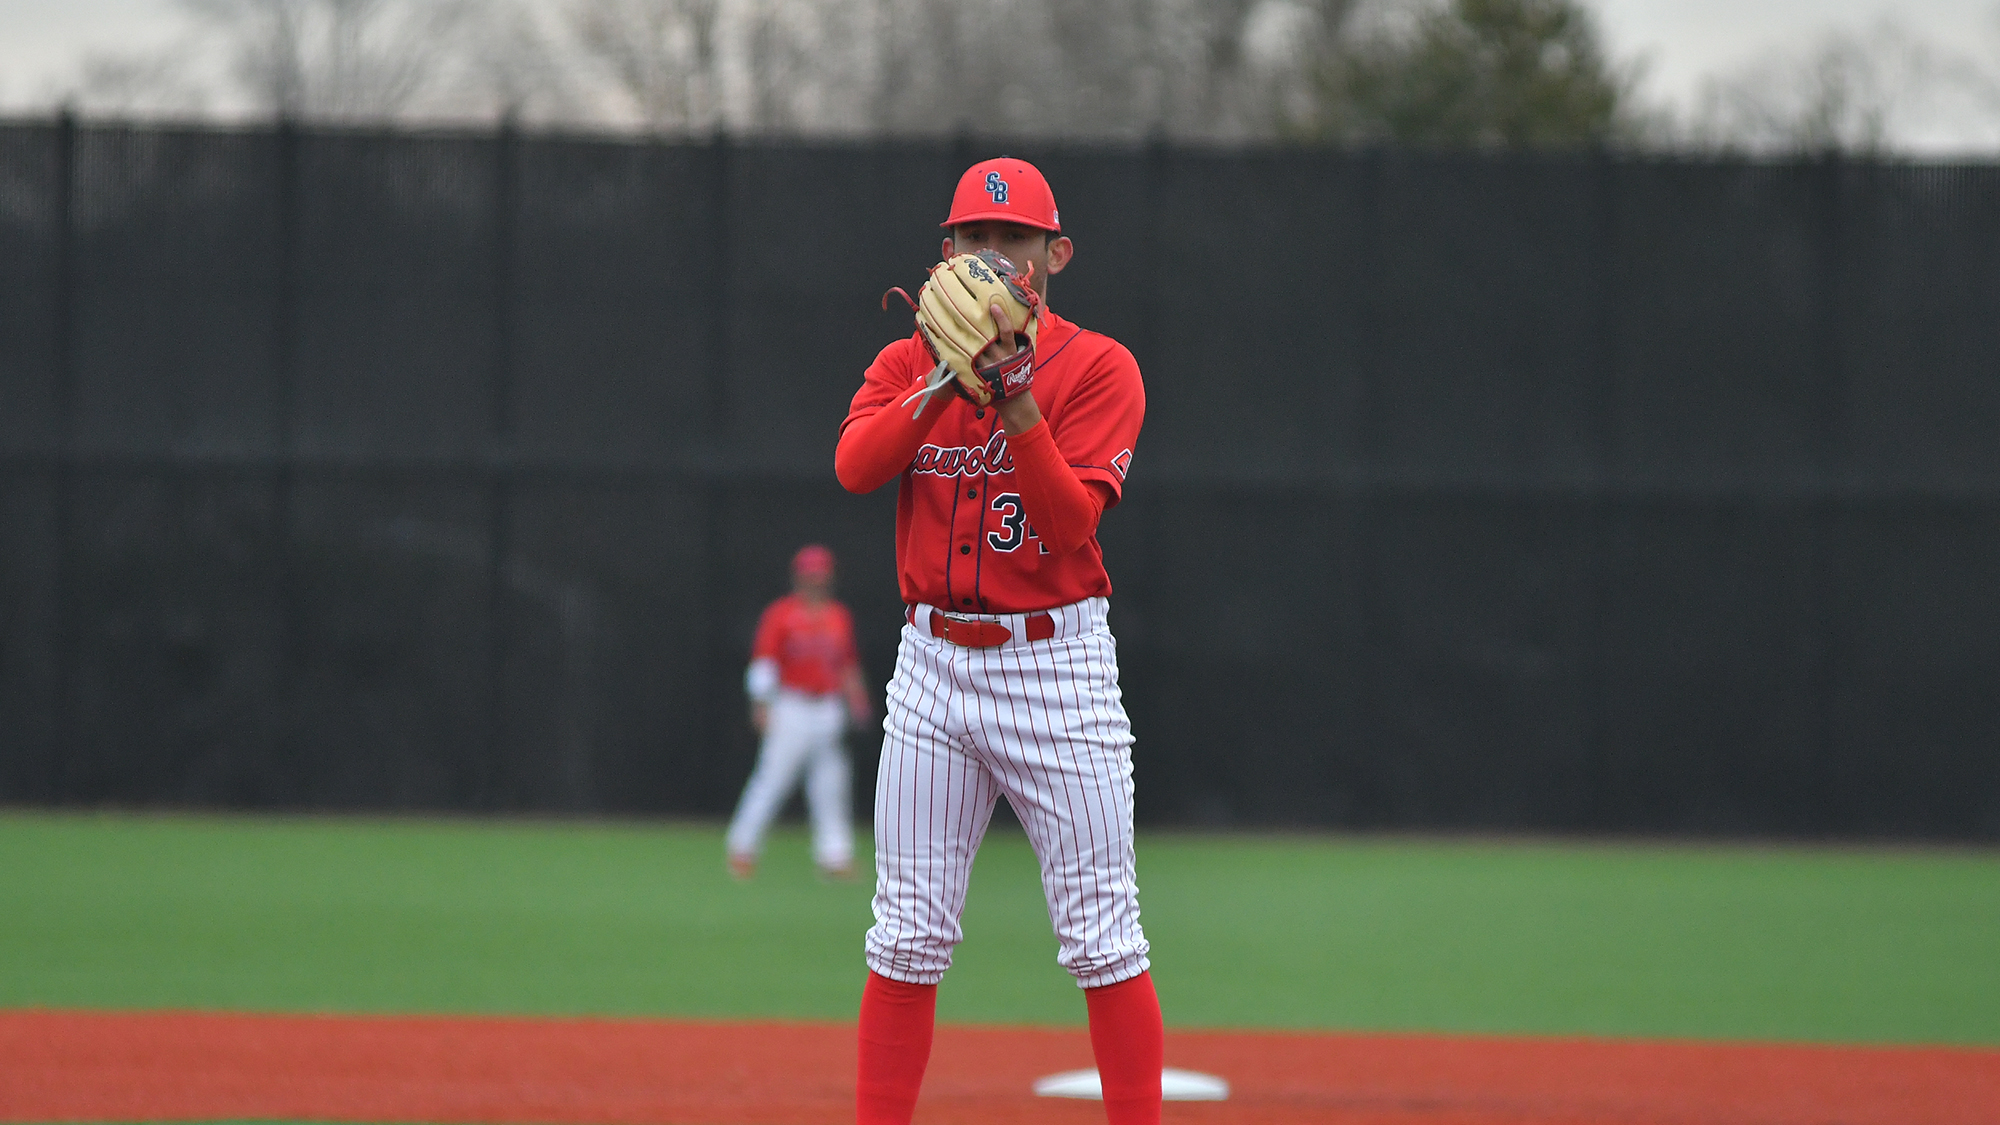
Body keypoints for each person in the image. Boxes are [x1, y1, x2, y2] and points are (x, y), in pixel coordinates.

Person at [834, 158, 1161, 1125]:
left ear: (1055, 255)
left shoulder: (1100, 366)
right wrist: (944, 376)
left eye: (1014, 240)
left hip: (1055, 665)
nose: (994, 256)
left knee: (1106, 938)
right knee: (905, 938)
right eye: (975, 239)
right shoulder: (906, 364)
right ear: (944, 254)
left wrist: (1016, 403)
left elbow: (1069, 528)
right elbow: (856, 467)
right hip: (931, 666)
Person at [724, 544, 871, 882]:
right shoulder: (781, 614)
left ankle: (835, 856)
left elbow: (847, 664)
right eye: (810, 575)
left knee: (832, 783)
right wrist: (761, 703)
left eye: (820, 575)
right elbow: (765, 662)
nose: (815, 581)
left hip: (828, 708)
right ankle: (742, 848)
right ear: (798, 578)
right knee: (772, 779)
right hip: (792, 706)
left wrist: (858, 700)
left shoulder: (838, 615)